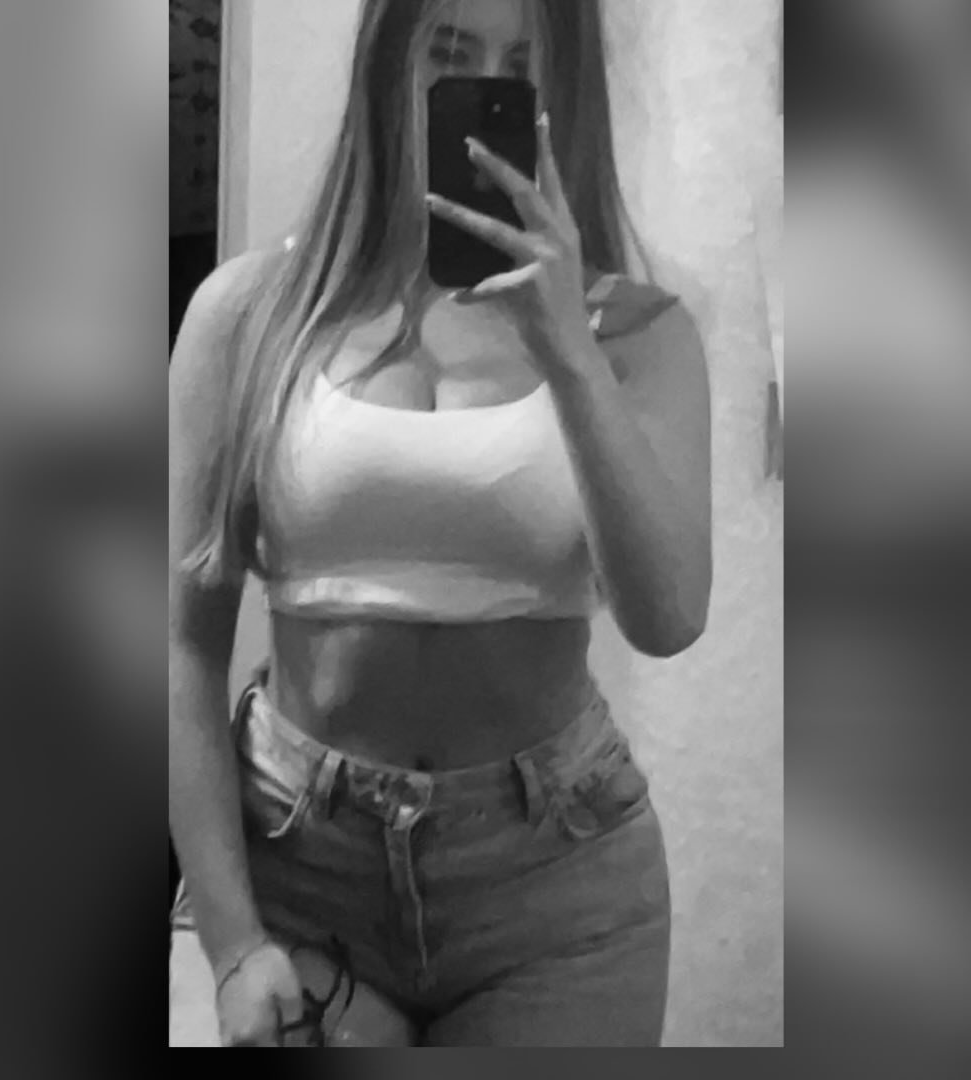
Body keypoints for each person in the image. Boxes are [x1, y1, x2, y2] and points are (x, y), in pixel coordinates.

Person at [169, 0, 711, 1048]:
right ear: (385, 70)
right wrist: (232, 943)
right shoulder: (247, 315)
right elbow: (180, 651)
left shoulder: (641, 334)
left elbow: (669, 616)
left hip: (556, 889)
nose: (481, 96)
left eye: (523, 69)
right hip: (294, 866)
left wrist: (569, 350)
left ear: (566, 98)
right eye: (450, 56)